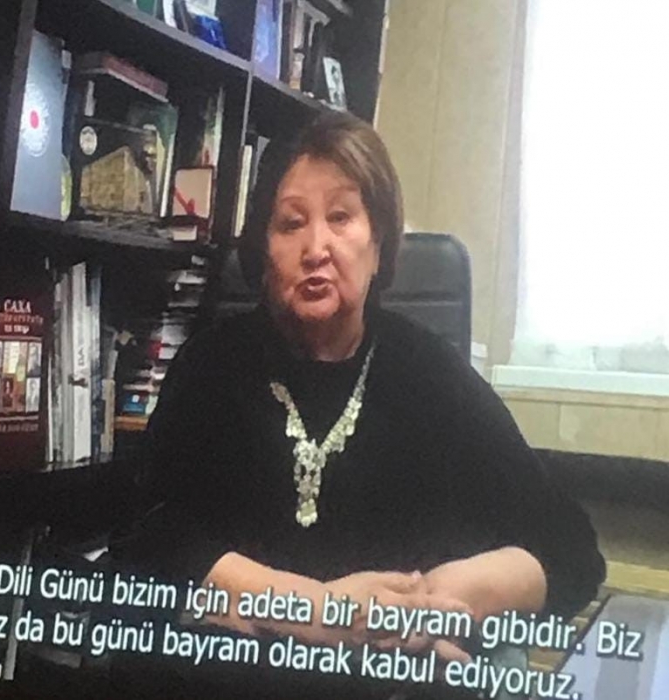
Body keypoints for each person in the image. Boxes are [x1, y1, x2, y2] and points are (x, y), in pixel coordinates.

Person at [112, 112, 605, 699]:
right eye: (291, 223)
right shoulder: (213, 364)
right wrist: (308, 609)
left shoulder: (431, 375)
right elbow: (144, 536)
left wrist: (455, 597)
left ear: (379, 243)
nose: (316, 248)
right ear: (263, 251)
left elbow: (570, 550)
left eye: (341, 217)